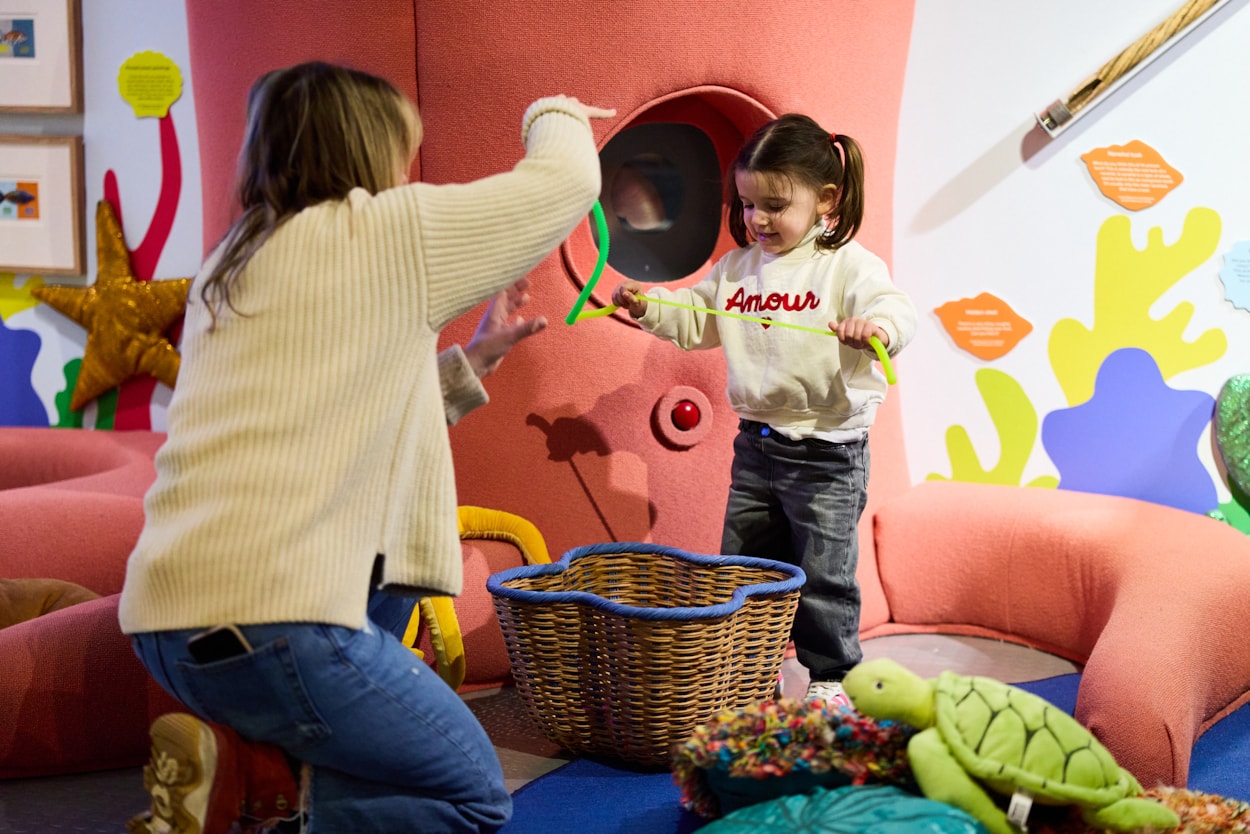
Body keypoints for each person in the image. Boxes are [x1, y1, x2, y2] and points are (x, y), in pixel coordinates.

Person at [118, 59, 610, 834]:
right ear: (370, 151)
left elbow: (329, 414)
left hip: (174, 621)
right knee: (468, 795)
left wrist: (470, 362)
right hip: (278, 620)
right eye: (401, 152)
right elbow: (564, 185)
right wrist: (558, 109)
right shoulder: (383, 231)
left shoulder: (240, 256)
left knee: (364, 787)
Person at [611, 114, 917, 708]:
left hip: (829, 452)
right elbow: (698, 317)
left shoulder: (847, 265)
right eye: (749, 205)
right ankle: (751, 673)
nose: (757, 220)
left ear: (826, 199)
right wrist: (650, 307)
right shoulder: (736, 270)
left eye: (775, 205)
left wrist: (875, 327)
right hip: (756, 447)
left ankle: (831, 678)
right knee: (745, 570)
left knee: (824, 576)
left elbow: (894, 309)